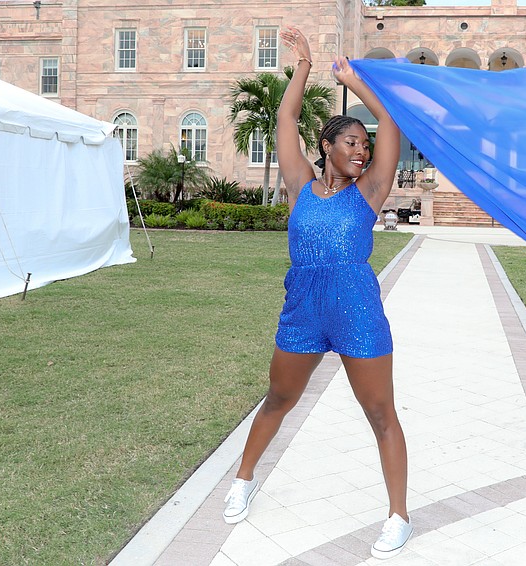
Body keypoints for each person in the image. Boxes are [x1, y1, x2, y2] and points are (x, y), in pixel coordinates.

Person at [221, 27, 412, 560]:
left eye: (364, 144)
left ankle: (399, 515)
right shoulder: (299, 184)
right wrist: (303, 66)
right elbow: (284, 120)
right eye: (351, 142)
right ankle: (244, 478)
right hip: (303, 309)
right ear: (326, 147)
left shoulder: (371, 191)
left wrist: (355, 82)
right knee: (279, 398)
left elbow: (391, 123)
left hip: (357, 312)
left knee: (381, 415)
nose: (361, 150)